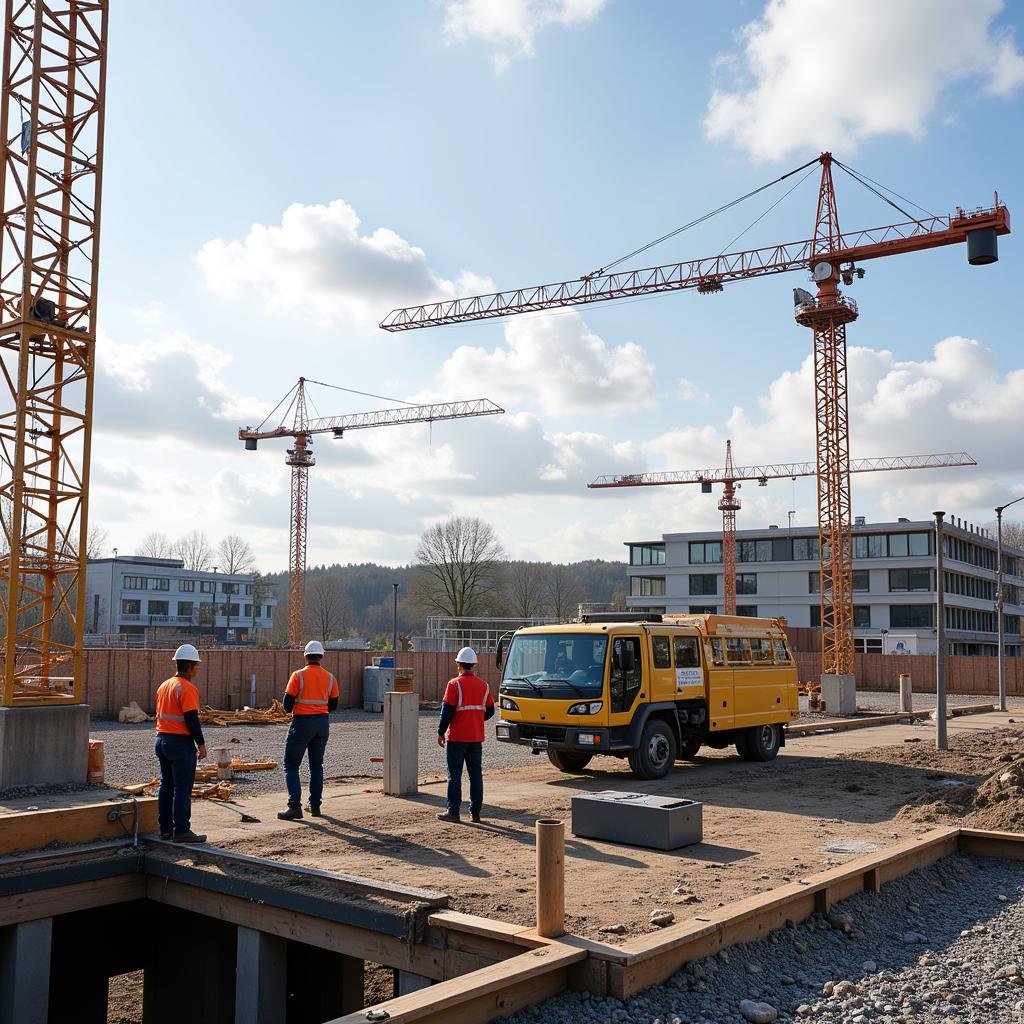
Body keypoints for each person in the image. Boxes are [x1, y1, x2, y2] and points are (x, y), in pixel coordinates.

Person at [278, 640, 340, 820]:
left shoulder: (298, 676)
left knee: (291, 765)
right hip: (322, 724)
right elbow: (334, 704)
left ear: (305, 656)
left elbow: (287, 706)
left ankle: (294, 807)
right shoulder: (330, 678)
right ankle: (315, 806)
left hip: (302, 724)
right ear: (321, 656)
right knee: (316, 766)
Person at [155, 644, 208, 843]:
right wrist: (201, 744)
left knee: (166, 786)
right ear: (191, 666)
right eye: (196, 666)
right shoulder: (187, 688)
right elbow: (191, 719)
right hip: (180, 743)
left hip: (161, 740)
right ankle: (182, 830)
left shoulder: (164, 685)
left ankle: (166, 829)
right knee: (182, 788)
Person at [436, 647, 494, 824]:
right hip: (476, 738)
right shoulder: (484, 686)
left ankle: (453, 811)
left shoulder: (454, 685)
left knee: (455, 775)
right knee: (475, 775)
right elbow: (490, 710)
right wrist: (476, 719)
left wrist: (440, 732)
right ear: (474, 666)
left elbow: (447, 712)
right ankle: (475, 813)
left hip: (457, 738)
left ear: (459, 665)